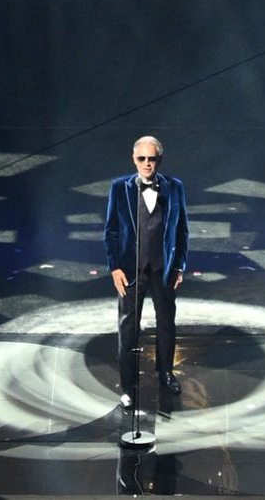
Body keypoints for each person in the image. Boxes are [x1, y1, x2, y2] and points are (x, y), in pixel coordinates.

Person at [104, 135, 189, 408]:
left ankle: (166, 374)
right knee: (128, 329)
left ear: (159, 160)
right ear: (134, 159)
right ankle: (128, 386)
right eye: (142, 159)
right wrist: (115, 268)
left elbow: (182, 231)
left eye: (152, 159)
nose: (147, 164)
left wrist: (179, 265)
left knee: (166, 324)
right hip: (131, 271)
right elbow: (111, 231)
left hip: (163, 269)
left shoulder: (174, 187)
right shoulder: (120, 187)